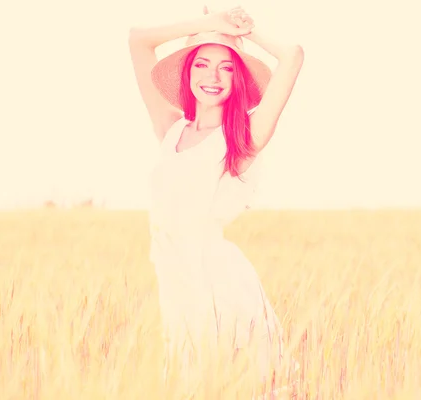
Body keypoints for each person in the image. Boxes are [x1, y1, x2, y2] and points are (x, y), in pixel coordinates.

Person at [128, 5, 304, 392]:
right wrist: (209, 25)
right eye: (202, 64)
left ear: (238, 77)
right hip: (172, 276)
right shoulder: (171, 129)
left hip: (216, 282)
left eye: (226, 67)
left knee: (231, 384)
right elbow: (138, 40)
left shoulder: (242, 137)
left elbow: (292, 56)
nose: (212, 76)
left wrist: (245, 33)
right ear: (187, 71)